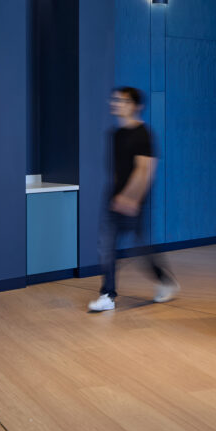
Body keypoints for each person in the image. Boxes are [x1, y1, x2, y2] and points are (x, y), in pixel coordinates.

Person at [87, 86, 179, 312]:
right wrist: (115, 195)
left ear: (136, 106)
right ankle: (107, 295)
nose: (117, 103)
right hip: (113, 197)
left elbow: (145, 170)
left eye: (123, 101)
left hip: (134, 200)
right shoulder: (114, 134)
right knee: (106, 245)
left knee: (139, 248)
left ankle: (166, 282)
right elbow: (117, 169)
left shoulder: (143, 133)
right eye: (115, 100)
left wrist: (130, 199)